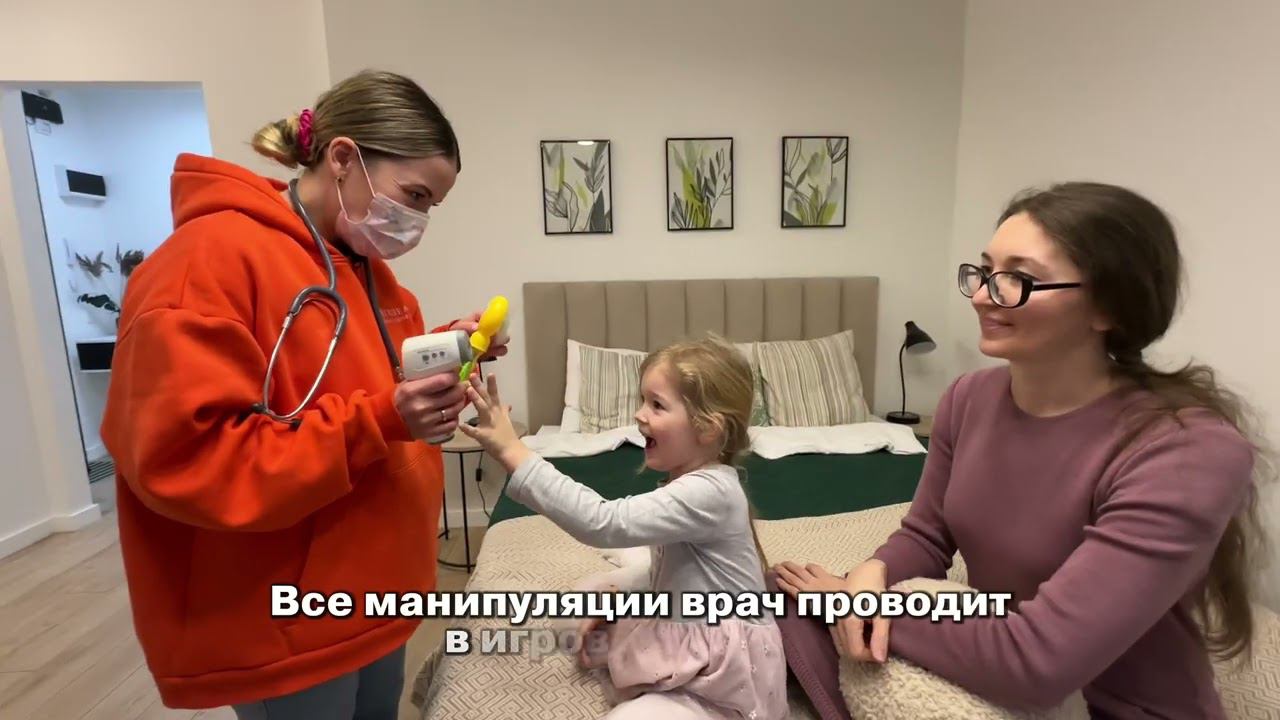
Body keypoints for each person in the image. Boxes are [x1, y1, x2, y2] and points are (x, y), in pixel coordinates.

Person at [774, 181, 1271, 719]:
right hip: (994, 682)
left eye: (1019, 279)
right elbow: (927, 533)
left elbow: (1033, 664)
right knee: (773, 599)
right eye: (985, 271)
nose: (982, 296)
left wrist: (847, 603)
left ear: (1108, 306)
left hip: (1114, 706)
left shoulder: (1187, 451)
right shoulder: (968, 398)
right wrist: (870, 572)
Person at [100, 70, 508, 719]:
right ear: (343, 158)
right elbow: (191, 461)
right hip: (285, 623)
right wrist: (382, 418)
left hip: (374, 600)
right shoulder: (204, 264)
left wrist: (446, 349)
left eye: (431, 205)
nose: (419, 221)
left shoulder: (366, 269)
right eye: (415, 195)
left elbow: (356, 379)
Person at [458, 337, 789, 720]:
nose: (639, 414)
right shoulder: (692, 480)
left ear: (707, 428)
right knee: (575, 607)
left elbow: (604, 522)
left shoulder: (710, 492)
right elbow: (675, 570)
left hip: (723, 679)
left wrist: (514, 452)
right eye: (643, 400)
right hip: (686, 621)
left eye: (657, 405)